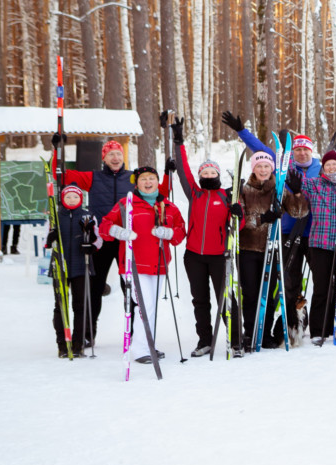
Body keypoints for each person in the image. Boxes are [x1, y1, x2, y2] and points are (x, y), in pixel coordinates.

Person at [221, 110, 320, 345]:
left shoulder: (320, 168)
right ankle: (255, 332)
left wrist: (296, 192)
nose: (301, 152)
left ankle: (302, 327)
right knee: (264, 290)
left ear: (312, 150)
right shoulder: (277, 171)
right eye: (297, 149)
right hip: (281, 236)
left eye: (306, 149)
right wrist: (241, 131)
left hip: (311, 234)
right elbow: (261, 152)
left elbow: (303, 207)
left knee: (281, 289)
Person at [49, 136, 134, 343]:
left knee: (130, 288)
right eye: (111, 154)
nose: (116, 157)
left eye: (119, 154)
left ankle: (136, 333)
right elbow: (60, 176)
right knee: (94, 288)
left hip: (126, 239)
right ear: (104, 158)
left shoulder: (133, 178)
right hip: (101, 239)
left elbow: (156, 187)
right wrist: (56, 149)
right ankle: (87, 333)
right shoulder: (93, 177)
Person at [98, 166, 186, 364]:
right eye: (143, 179)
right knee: (143, 305)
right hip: (134, 265)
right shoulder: (126, 205)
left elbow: (181, 231)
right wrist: (117, 231)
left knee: (151, 306)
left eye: (152, 178)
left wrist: (169, 233)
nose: (148, 183)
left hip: (159, 265)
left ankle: (148, 344)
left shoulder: (168, 207)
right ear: (136, 183)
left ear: (157, 181)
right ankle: (139, 349)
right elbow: (104, 226)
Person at [283, 149, 336, 344]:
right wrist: (294, 185)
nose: (331, 167)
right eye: (327, 165)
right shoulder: (314, 184)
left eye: (334, 164)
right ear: (323, 168)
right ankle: (318, 330)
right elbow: (294, 181)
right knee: (321, 287)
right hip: (319, 243)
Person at [168, 119, 236, 357]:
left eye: (212, 172)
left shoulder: (226, 196)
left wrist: (239, 213)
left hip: (220, 256)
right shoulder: (194, 193)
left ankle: (235, 340)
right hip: (194, 256)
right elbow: (184, 168)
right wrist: (178, 141)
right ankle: (205, 340)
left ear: (218, 174)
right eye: (204, 172)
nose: (208, 174)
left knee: (225, 300)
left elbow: (239, 225)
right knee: (200, 301)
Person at [236, 151, 286, 351]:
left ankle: (264, 334)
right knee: (250, 294)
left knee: (267, 294)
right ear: (253, 169)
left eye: (266, 166)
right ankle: (250, 333)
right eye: (259, 166)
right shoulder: (244, 190)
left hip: (271, 249)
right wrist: (262, 219)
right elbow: (239, 219)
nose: (263, 170)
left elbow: (299, 211)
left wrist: (297, 193)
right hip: (248, 248)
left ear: (271, 168)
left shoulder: (279, 189)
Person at [47, 184, 99, 358]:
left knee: (80, 305)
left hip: (81, 265)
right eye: (68, 197)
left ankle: (78, 344)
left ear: (81, 199)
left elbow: (99, 240)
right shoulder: (56, 217)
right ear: (62, 199)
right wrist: (50, 238)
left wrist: (91, 244)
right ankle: (62, 343)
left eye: (75, 197)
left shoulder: (87, 215)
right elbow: (47, 241)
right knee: (60, 305)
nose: (71, 200)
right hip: (60, 265)